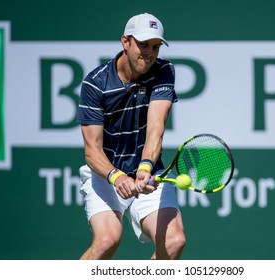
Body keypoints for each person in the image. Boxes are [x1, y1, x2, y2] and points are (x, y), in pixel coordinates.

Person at [77, 13, 186, 260]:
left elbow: (156, 126)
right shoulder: (96, 84)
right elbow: (92, 151)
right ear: (125, 42)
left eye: (155, 47)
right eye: (143, 45)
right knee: (107, 241)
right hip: (106, 174)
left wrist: (145, 166)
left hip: (147, 172)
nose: (149, 53)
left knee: (174, 242)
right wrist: (117, 178)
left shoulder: (164, 71)